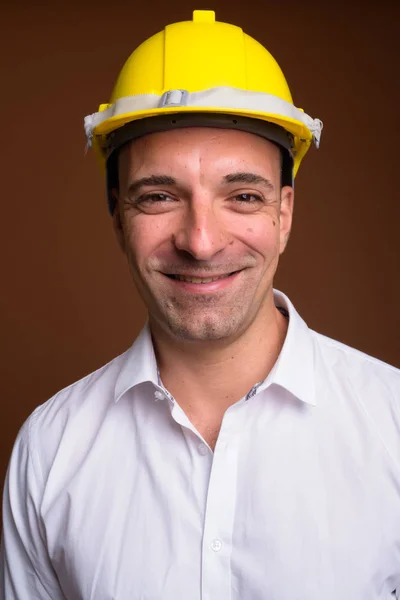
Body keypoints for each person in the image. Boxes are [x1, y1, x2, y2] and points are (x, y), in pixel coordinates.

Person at [1, 9, 399, 600]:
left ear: (283, 215)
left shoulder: (392, 426)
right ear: (117, 216)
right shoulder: (49, 450)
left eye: (242, 196)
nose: (201, 241)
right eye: (159, 196)